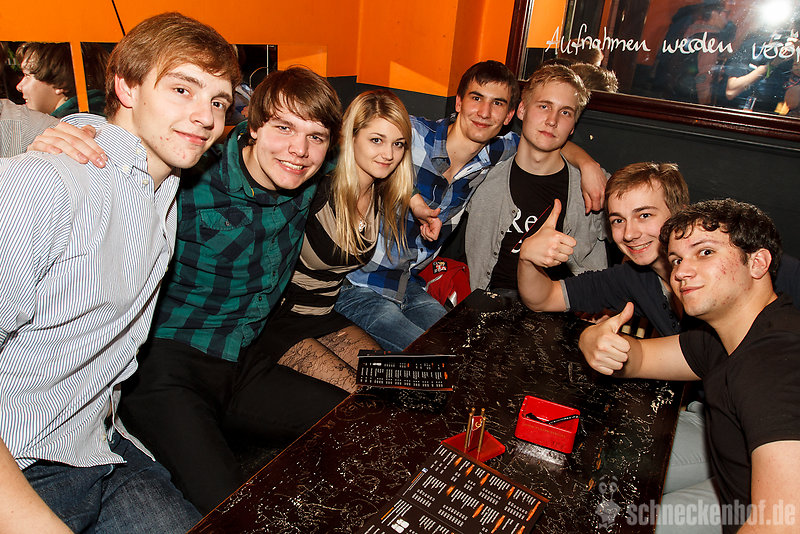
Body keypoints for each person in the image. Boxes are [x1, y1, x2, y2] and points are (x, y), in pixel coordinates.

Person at [0, 12, 240, 533]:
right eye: (182, 89)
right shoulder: (46, 184)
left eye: (219, 102)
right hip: (24, 465)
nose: (205, 116)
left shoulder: (164, 190)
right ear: (127, 86)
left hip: (104, 446)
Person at [336, 60, 609, 352]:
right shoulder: (411, 136)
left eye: (497, 103)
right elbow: (350, 148)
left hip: (407, 284)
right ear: (458, 103)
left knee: (462, 348)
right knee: (430, 356)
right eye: (476, 98)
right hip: (357, 281)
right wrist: (412, 196)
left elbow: (548, 137)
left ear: (509, 116)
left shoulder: (495, 154)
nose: (484, 112)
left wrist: (587, 164)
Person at [580, 199, 800, 533]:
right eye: (677, 260)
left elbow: (783, 523)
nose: (681, 272)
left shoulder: (774, 360)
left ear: (757, 263)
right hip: (736, 488)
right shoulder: (722, 336)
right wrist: (594, 340)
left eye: (705, 252)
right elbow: (637, 357)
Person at [518, 162, 800, 336]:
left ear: (679, 214)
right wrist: (527, 258)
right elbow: (542, 298)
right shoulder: (634, 277)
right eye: (618, 220)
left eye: (644, 215)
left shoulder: (757, 264)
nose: (629, 234)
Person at [262, 90, 414, 393]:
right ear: (349, 137)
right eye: (376, 140)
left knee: (396, 382)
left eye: (398, 144)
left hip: (324, 316)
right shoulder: (316, 189)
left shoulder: (380, 194)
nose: (388, 154)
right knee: (361, 396)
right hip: (279, 319)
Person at [463, 64, 607, 298]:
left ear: (572, 126)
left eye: (565, 112)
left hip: (569, 305)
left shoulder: (594, 185)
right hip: (492, 301)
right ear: (521, 110)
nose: (552, 120)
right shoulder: (483, 174)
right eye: (544, 106)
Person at [15, 42, 109, 117]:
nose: (19, 87)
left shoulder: (64, 128)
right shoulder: (106, 116)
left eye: (27, 75)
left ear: (61, 83)